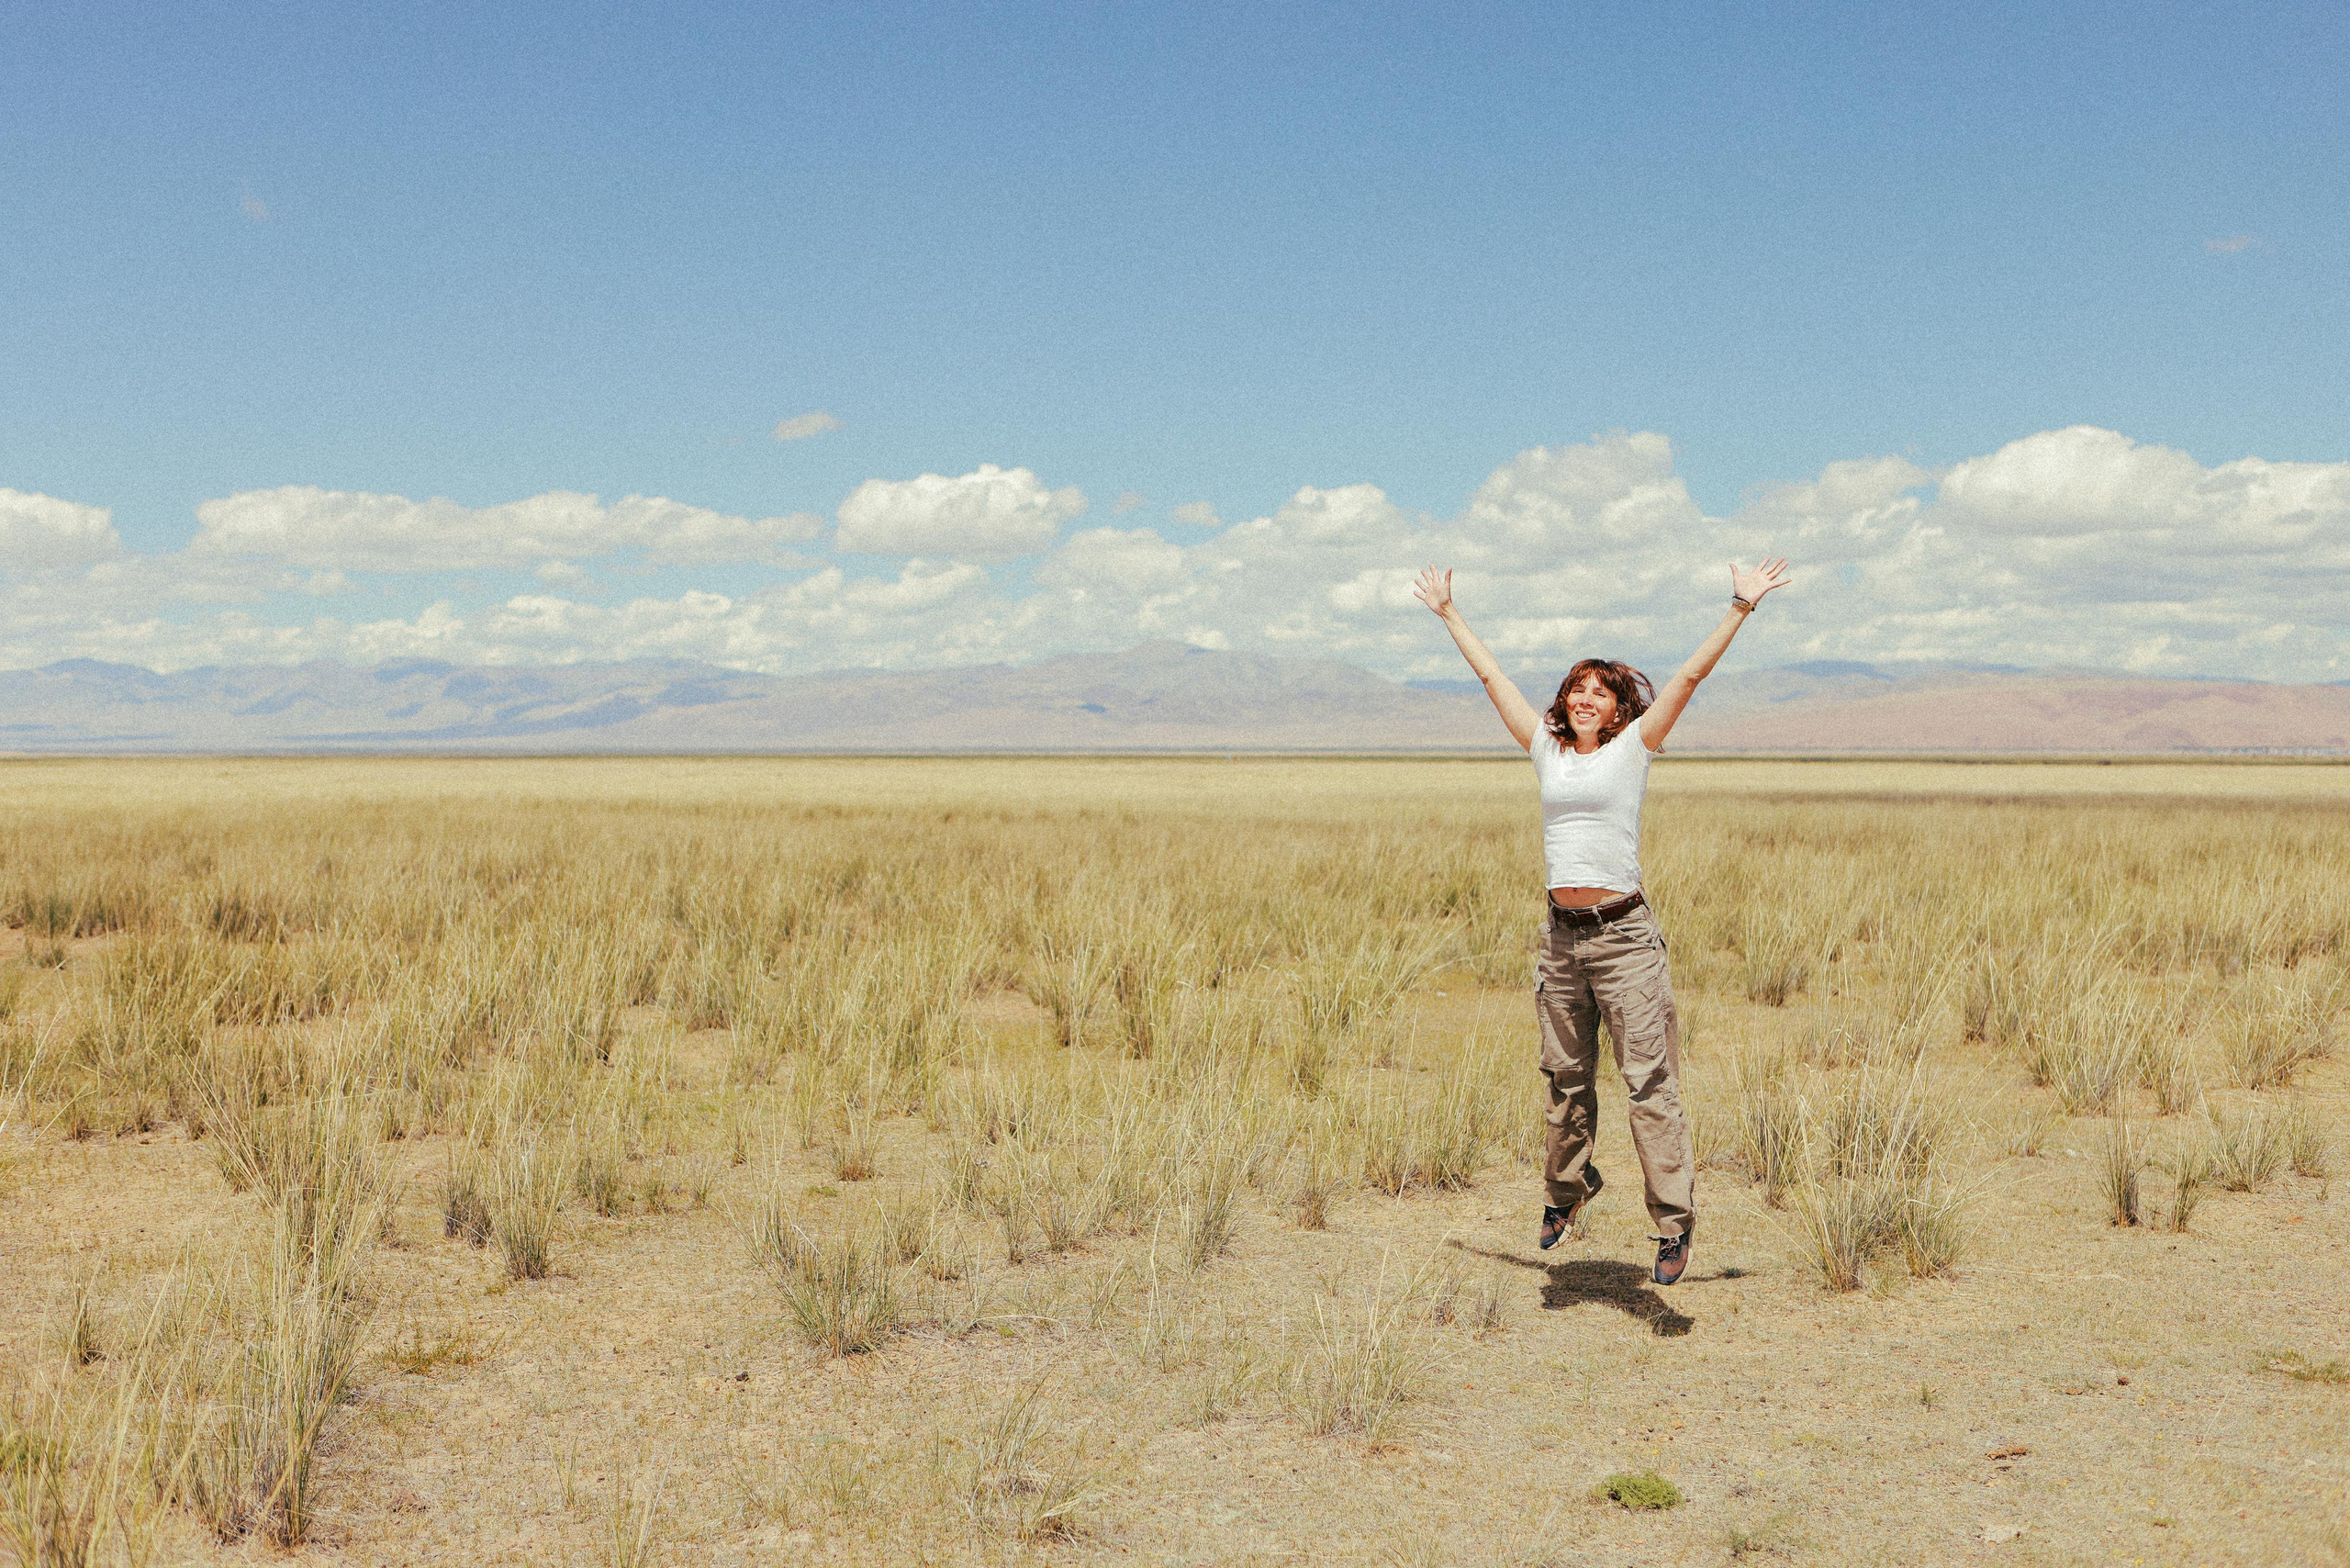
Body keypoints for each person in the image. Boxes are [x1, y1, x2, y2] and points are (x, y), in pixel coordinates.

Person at [1413, 557, 1791, 1285]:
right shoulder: (1545, 748)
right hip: (1562, 941)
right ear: (1565, 702)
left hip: (1625, 942)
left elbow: (1689, 678)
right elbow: (1492, 678)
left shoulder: (1634, 748)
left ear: (1619, 709)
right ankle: (1568, 1189)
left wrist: (1741, 606)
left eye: (1600, 692)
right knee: (1564, 1078)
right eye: (1576, 689)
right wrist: (1449, 613)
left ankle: (1674, 1225)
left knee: (1649, 1084)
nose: (1586, 699)